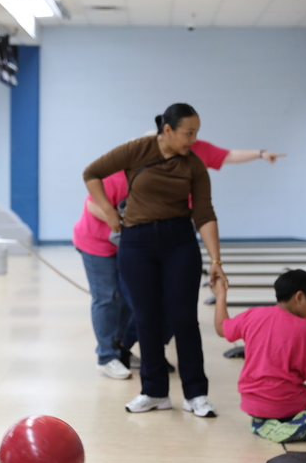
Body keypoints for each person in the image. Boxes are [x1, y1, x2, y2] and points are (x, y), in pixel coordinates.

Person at [75, 140, 285, 380]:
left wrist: (259, 153)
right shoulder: (125, 174)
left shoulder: (184, 174)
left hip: (132, 245)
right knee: (108, 297)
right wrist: (123, 223)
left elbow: (208, 198)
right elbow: (93, 205)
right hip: (97, 242)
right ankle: (107, 356)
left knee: (132, 301)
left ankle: (121, 349)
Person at [84, 103, 226, 417]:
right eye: (188, 132)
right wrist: (109, 212)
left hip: (179, 241)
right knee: (146, 317)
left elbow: (204, 213)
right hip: (137, 242)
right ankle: (154, 391)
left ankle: (196, 394)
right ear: (167, 130)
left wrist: (216, 261)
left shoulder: (194, 165)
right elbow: (91, 173)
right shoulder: (138, 150)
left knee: (183, 319)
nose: (193, 139)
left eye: (196, 133)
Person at [213, 269, 306, 443]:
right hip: (285, 404)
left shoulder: (254, 315)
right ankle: (289, 429)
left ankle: (263, 423)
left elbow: (222, 329)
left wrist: (221, 294)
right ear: (299, 297)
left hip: (251, 403)